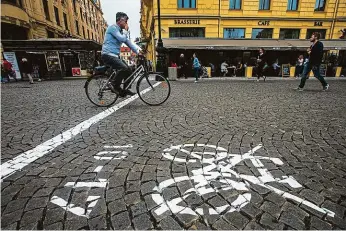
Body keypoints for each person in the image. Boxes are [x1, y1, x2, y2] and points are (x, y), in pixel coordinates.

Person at [101, 12, 142, 97]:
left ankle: (125, 90)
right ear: (120, 20)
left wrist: (138, 52)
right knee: (123, 68)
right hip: (107, 55)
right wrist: (126, 31)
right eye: (125, 21)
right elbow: (122, 38)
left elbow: (128, 42)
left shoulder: (120, 31)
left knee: (129, 70)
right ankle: (114, 85)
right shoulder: (113, 28)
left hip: (115, 56)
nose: (127, 23)